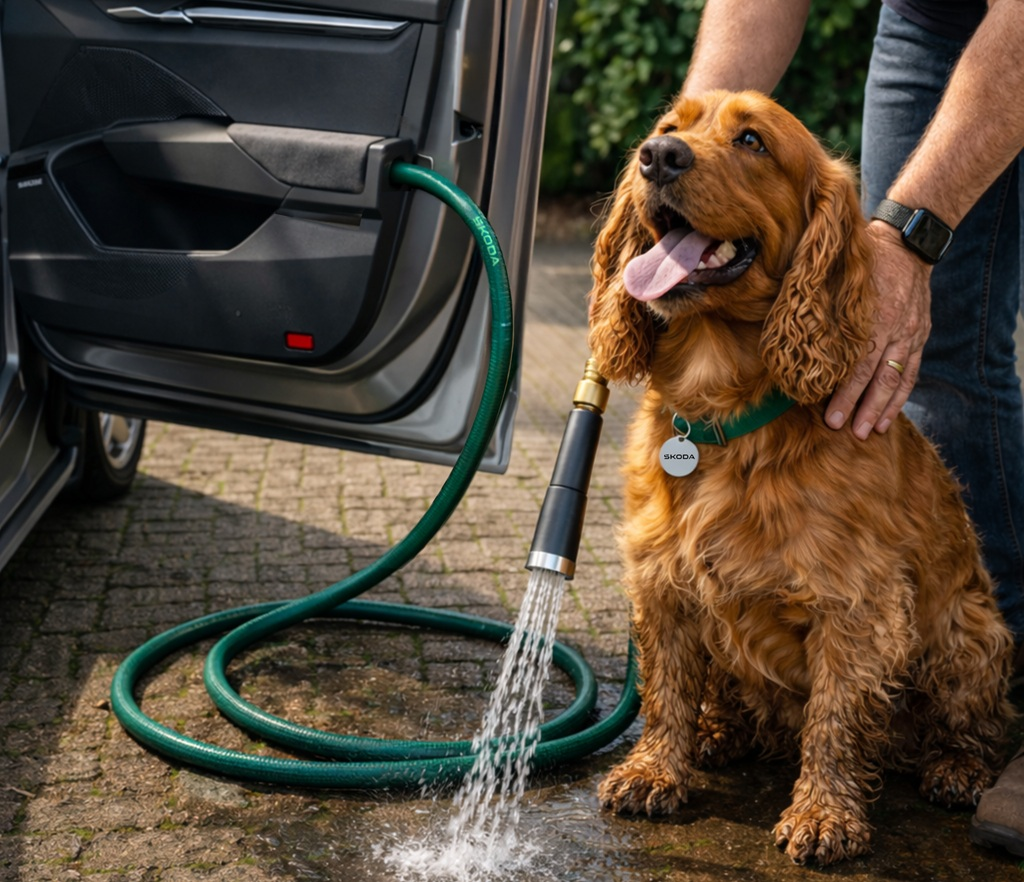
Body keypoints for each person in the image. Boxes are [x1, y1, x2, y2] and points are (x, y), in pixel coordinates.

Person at [677, 0, 1024, 856]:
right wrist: (685, 155)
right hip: (931, 14)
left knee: (923, 319)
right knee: (910, 360)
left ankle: (1003, 706)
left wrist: (911, 236)